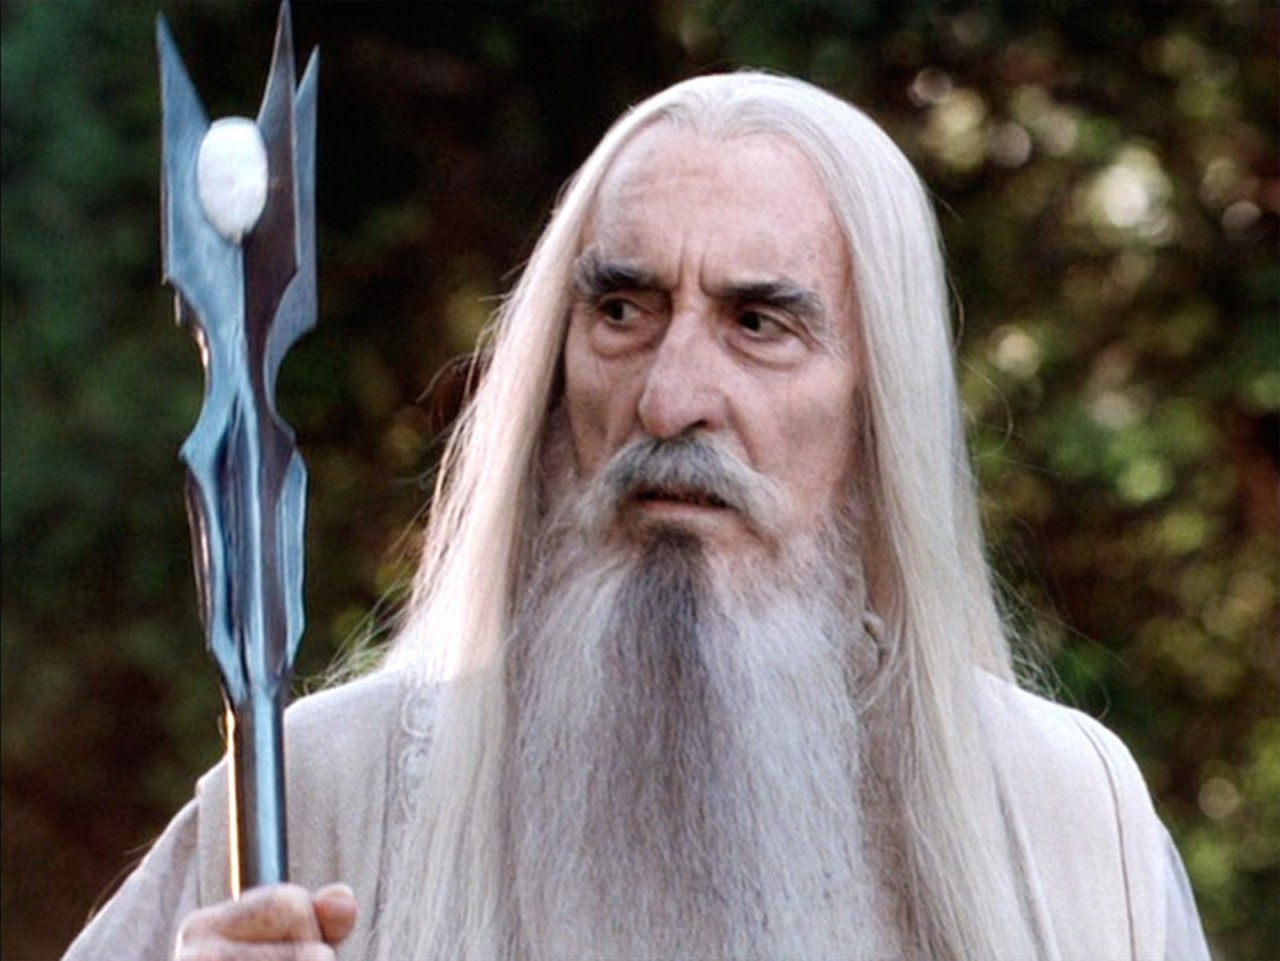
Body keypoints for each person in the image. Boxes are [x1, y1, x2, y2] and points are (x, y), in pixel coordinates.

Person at [64, 72, 1210, 961]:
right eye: (621, 309)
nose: (668, 399)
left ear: (879, 406)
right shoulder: (312, 798)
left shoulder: (1068, 819)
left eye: (758, 324)